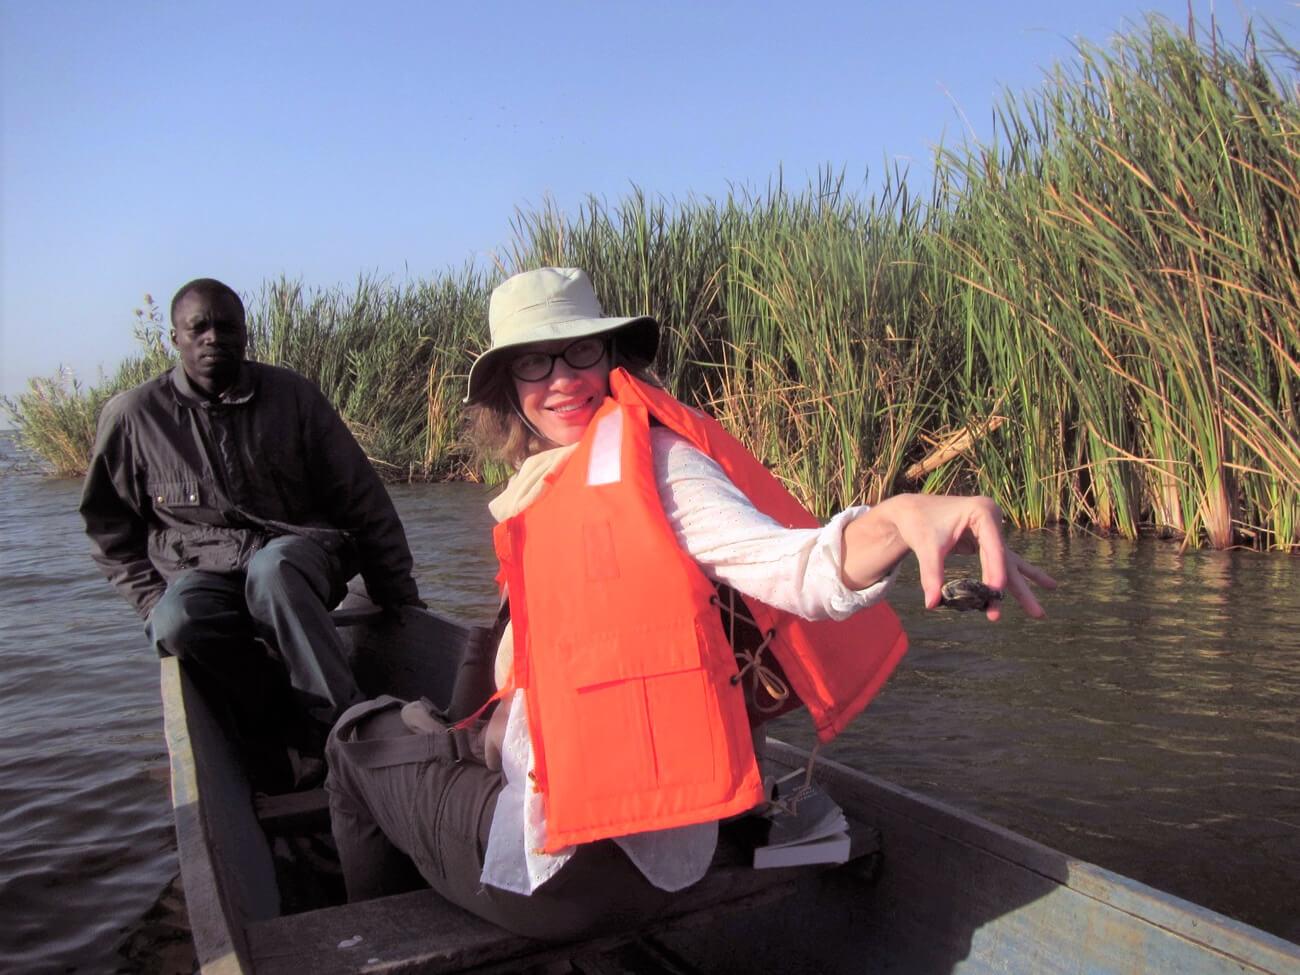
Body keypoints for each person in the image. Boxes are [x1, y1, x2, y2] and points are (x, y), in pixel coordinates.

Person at [325, 267, 1056, 939]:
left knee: (354, 741)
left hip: (565, 879)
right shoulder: (552, 484)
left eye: (580, 352)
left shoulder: (662, 465)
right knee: (450, 723)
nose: (562, 379)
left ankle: (366, 940)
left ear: (611, 356)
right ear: (509, 387)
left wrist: (893, 521)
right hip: (670, 857)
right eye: (534, 360)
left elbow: (791, 563)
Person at [80, 277, 423, 772]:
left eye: (227, 327)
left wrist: (399, 597)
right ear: (174, 337)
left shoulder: (294, 398)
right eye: (198, 328)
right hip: (202, 573)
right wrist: (153, 602)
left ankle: (344, 734)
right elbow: (109, 533)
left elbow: (362, 501)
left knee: (274, 568)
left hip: (301, 560)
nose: (212, 338)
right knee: (176, 622)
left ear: (246, 335)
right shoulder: (134, 417)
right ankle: (279, 719)